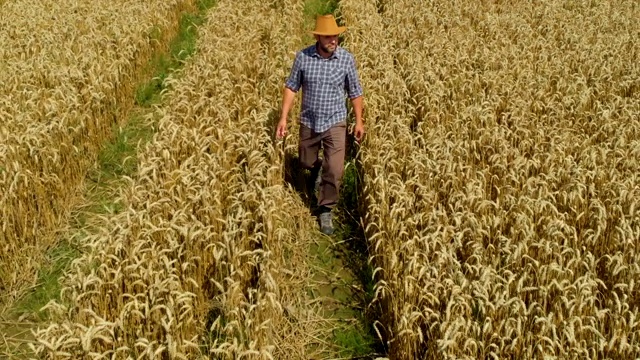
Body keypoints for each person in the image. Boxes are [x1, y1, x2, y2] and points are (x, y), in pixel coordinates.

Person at [276, 14, 364, 235]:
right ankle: (315, 170)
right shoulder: (303, 57)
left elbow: (355, 92)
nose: (333, 40)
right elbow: (291, 87)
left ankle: (325, 208)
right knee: (306, 161)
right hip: (309, 120)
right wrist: (283, 117)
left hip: (335, 121)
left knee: (335, 169)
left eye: (335, 35)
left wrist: (359, 121)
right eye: (327, 36)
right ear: (318, 37)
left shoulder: (346, 59)